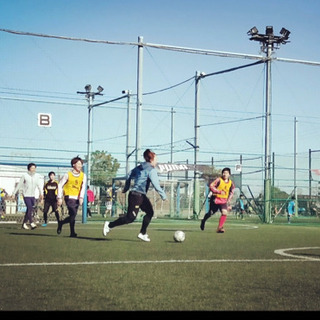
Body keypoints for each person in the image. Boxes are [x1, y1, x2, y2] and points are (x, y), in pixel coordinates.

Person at [102, 149, 167, 242]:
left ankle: (143, 233)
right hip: (136, 196)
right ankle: (109, 225)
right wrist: (163, 195)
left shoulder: (139, 167)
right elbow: (156, 184)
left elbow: (128, 175)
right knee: (130, 218)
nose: (157, 161)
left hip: (140, 196)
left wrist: (126, 187)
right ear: (151, 159)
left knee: (150, 212)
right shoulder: (151, 170)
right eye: (156, 159)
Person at [56, 156, 87, 237]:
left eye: (81, 164)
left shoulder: (83, 175)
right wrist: (59, 197)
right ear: (73, 164)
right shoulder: (67, 174)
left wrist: (81, 197)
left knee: (73, 215)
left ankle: (62, 223)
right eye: (78, 164)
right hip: (69, 197)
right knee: (73, 213)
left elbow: (83, 187)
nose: (80, 166)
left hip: (77, 198)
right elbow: (60, 185)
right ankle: (72, 232)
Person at [200, 167, 235, 233]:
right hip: (215, 199)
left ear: (229, 174)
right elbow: (211, 186)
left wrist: (229, 200)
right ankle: (203, 220)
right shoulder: (219, 180)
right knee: (211, 213)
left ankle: (220, 227)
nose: (224, 174)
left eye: (226, 173)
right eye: (223, 173)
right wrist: (218, 191)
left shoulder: (231, 183)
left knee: (224, 212)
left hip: (223, 201)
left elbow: (232, 192)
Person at [13, 163, 43, 230]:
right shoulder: (25, 175)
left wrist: (41, 193)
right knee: (30, 208)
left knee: (29, 210)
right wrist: (13, 193)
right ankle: (31, 222)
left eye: (34, 168)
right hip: (26, 195)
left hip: (33, 195)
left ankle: (24, 224)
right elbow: (19, 185)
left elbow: (39, 185)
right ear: (29, 168)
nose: (33, 169)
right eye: (32, 168)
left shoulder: (37, 176)